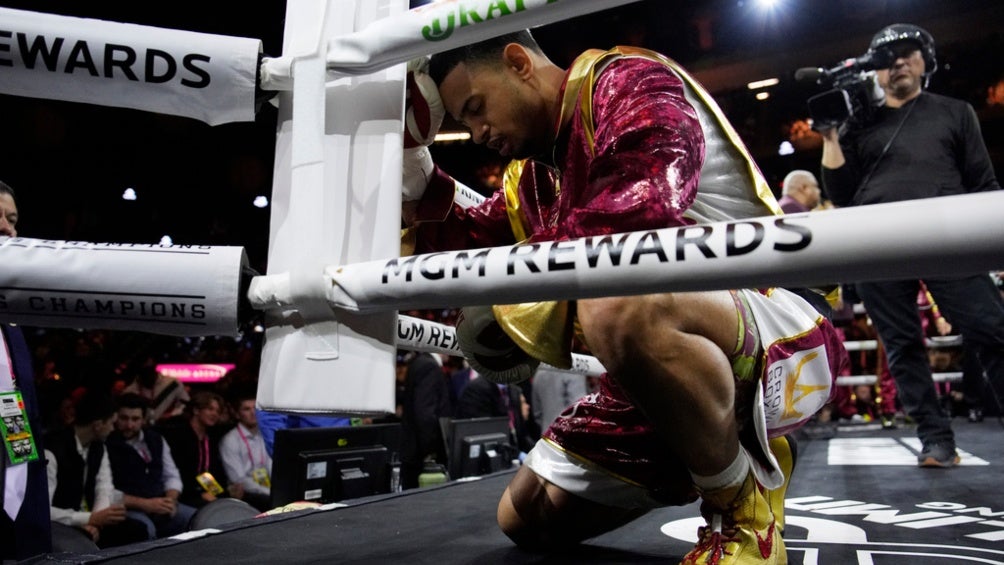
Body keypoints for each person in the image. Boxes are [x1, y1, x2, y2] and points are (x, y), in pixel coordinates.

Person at [403, 31, 845, 563]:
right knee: (526, 515)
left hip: (780, 323)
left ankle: (743, 516)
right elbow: (467, 240)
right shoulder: (529, 178)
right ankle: (727, 448)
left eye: (476, 109)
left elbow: (641, 209)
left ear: (518, 63)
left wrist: (516, 297)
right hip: (671, 357)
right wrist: (408, 162)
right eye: (464, 120)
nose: (477, 133)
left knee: (613, 290)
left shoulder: (628, 81)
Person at [820, 23, 1004, 468]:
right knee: (901, 346)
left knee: (992, 329)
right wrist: (829, 136)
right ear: (875, 70)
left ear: (926, 62)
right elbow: (840, 193)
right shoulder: (859, 125)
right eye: (887, 57)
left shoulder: (955, 112)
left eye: (908, 52)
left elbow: (983, 182)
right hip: (878, 243)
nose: (898, 61)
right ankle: (935, 440)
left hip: (949, 237)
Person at [1, 180, 54, 560]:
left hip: (17, 467)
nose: (7, 228)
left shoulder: (13, 319)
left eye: (13, 219)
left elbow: (21, 415)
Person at [44, 389, 148, 548]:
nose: (113, 429)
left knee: (138, 530)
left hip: (88, 518)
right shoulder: (51, 451)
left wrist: (98, 519)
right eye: (111, 423)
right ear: (98, 425)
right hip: (59, 525)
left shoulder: (98, 447)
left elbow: (104, 487)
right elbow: (43, 510)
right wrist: (89, 519)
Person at [105, 393, 196, 539]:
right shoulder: (106, 443)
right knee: (145, 529)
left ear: (143, 419)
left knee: (197, 519)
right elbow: (106, 491)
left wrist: (170, 500)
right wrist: (145, 504)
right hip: (128, 506)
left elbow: (171, 475)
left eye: (135, 419)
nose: (129, 425)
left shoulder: (156, 439)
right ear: (115, 418)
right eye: (124, 418)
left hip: (161, 501)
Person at [159, 390, 236, 509]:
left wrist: (219, 494)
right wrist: (199, 495)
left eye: (218, 411)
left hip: (205, 489)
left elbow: (209, 474)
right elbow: (178, 473)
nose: (214, 414)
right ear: (196, 410)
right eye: (210, 409)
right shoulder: (178, 436)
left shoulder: (211, 438)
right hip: (183, 493)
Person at [399, 352, 451, 490]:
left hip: (414, 450)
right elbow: (425, 413)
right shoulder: (429, 366)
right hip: (423, 456)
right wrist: (431, 452)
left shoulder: (419, 362)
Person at [219, 388, 272, 511]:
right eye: (246, 409)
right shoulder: (230, 440)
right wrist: (269, 492)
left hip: (267, 488)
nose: (253, 413)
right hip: (245, 492)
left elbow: (272, 466)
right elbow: (239, 480)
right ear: (238, 414)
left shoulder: (264, 434)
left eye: (255, 408)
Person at [530, 367, 587, 432]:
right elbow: (579, 409)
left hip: (547, 432)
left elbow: (537, 413)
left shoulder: (539, 374)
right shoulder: (573, 370)